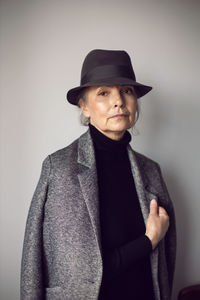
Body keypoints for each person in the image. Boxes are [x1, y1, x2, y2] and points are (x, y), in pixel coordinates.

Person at [20, 49, 176, 300]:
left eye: (127, 91)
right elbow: (35, 265)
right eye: (104, 93)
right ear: (85, 106)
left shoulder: (151, 171)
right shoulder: (58, 169)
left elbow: (165, 263)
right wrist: (148, 241)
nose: (119, 101)